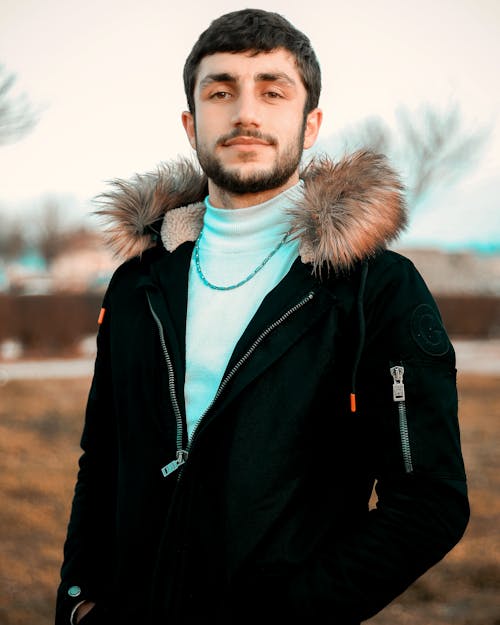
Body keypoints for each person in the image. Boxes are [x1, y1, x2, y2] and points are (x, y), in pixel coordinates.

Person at [56, 8, 469, 625]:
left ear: (312, 121)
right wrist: (77, 600)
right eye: (221, 91)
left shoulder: (374, 288)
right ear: (192, 122)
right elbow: (102, 457)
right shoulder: (139, 283)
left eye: (273, 91)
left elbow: (429, 503)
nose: (246, 112)